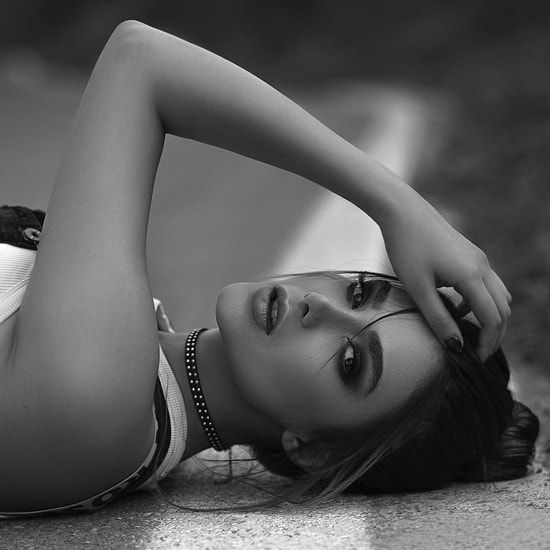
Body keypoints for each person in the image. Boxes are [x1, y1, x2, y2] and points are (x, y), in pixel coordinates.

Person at [0, 21, 538, 517]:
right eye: (357, 294)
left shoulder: (99, 400)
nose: (318, 306)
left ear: (313, 449)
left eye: (350, 361)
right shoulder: (133, 372)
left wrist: (397, 205)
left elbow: (139, 60)